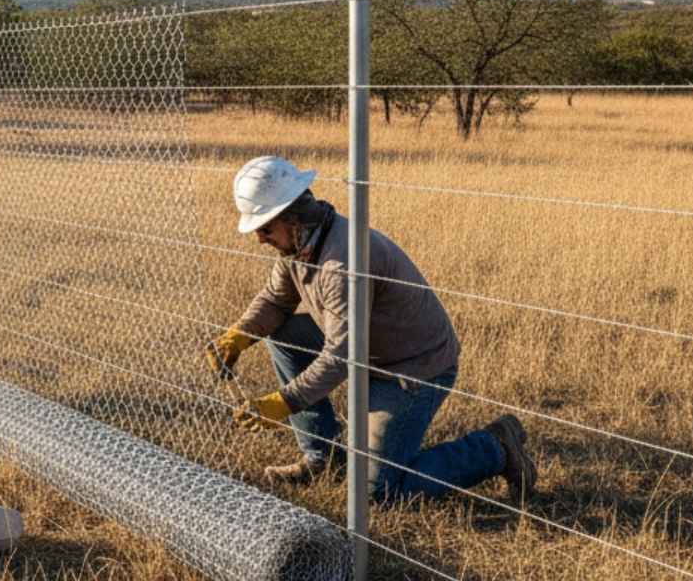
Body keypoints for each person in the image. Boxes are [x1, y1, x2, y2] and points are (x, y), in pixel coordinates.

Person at [205, 156, 536, 499]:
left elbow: (340, 356)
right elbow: (277, 300)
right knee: (285, 335)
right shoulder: (301, 243)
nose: (259, 238)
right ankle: (323, 456)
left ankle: (494, 447)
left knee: (376, 491)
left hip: (411, 370)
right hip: (365, 350)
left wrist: (285, 402)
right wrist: (239, 336)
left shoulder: (342, 264)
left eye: (264, 228)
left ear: (292, 217)